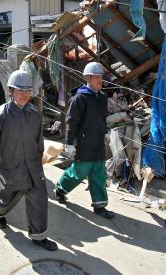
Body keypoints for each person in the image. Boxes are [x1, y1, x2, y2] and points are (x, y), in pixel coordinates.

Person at [0, 70, 58, 251]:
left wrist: (39, 160)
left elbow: (39, 141)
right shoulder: (1, 115)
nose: (24, 94)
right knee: (7, 198)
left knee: (39, 200)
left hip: (33, 167)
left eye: (28, 91)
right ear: (10, 91)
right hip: (10, 167)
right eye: (20, 90)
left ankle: (39, 237)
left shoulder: (34, 113)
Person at [55, 62, 114, 219]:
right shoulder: (79, 98)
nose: (100, 80)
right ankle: (60, 188)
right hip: (83, 143)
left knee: (99, 174)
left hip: (98, 143)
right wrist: (69, 143)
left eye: (101, 77)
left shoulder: (102, 98)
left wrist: (105, 132)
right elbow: (71, 121)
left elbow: (102, 119)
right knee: (78, 173)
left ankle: (100, 205)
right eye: (97, 77)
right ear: (88, 78)